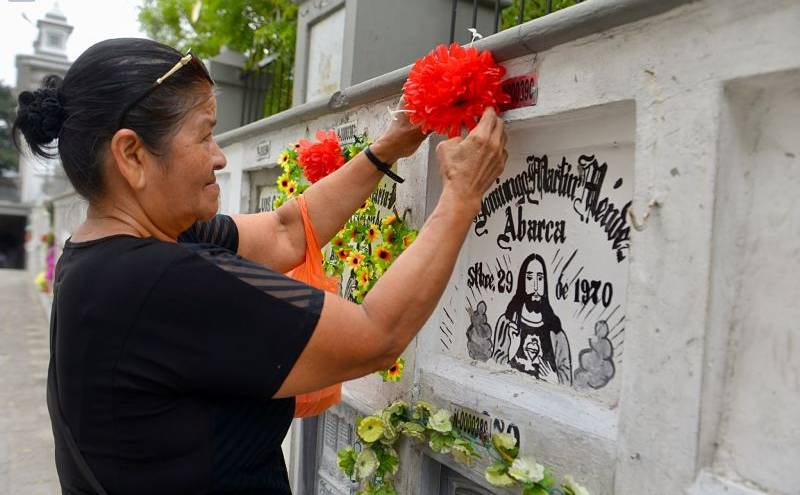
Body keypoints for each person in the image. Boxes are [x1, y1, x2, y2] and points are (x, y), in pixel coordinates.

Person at [12, 38, 507, 495]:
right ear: (131, 155)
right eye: (204, 135)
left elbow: (287, 231)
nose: (220, 158)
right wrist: (460, 197)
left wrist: (387, 147)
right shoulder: (161, 281)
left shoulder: (101, 255)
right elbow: (375, 335)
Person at [492, 252, 572, 385]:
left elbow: (567, 378)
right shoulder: (507, 322)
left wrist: (554, 379)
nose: (535, 286)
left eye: (540, 279)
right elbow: (493, 368)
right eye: (529, 278)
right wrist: (511, 352)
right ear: (522, 282)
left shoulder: (556, 333)